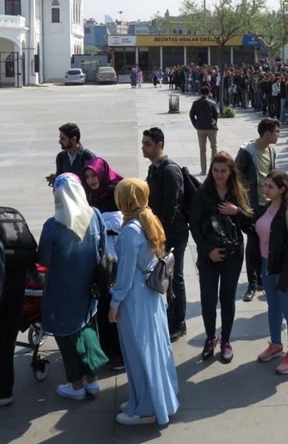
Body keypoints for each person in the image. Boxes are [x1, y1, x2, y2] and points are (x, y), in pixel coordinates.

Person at [108, 178, 180, 426]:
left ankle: (147, 407)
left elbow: (125, 274)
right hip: (151, 295)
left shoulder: (130, 231)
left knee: (139, 352)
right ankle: (150, 399)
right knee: (154, 349)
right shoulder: (149, 219)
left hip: (135, 298)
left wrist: (115, 303)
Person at [38, 173, 106, 401]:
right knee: (89, 331)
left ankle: (75, 385)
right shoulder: (95, 215)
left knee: (67, 339)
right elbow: (103, 248)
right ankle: (92, 380)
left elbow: (44, 260)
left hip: (62, 292)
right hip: (90, 289)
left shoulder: (53, 226)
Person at [189, 151, 253, 363]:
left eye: (223, 171)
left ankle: (226, 340)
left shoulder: (236, 192)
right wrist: (208, 250)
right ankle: (210, 337)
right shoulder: (203, 192)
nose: (219, 174)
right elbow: (195, 226)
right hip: (209, 256)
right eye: (215, 170)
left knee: (227, 299)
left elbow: (249, 225)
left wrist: (237, 212)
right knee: (208, 300)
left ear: (230, 171)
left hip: (233, 255)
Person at [255, 171, 288, 375]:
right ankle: (276, 344)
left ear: (282, 189)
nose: (265, 190)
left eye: (270, 187)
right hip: (267, 264)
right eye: (265, 185)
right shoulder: (268, 206)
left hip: (282, 268)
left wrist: (285, 277)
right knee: (273, 306)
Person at [142, 127, 188, 341]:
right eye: (143, 143)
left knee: (175, 276)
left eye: (147, 144)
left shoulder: (170, 170)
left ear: (160, 144)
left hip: (174, 234)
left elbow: (172, 208)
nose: (143, 147)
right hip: (161, 233)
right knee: (166, 277)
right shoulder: (154, 169)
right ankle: (171, 315)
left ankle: (179, 322)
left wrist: (161, 237)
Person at [84, 157, 124, 367]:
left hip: (116, 259)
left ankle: (118, 354)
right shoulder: (92, 195)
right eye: (88, 176)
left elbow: (119, 222)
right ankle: (109, 351)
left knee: (113, 306)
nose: (91, 180)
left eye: (94, 175)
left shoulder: (115, 191)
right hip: (102, 260)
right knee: (103, 306)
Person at [235, 118, 280, 302]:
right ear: (267, 133)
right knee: (253, 244)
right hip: (252, 206)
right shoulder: (247, 152)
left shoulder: (271, 150)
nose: (279, 134)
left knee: (266, 243)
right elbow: (236, 178)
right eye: (276, 131)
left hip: (268, 205)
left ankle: (262, 279)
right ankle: (251, 284)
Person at [49, 122, 96, 190]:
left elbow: (95, 182)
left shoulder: (88, 157)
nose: (59, 141)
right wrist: (55, 179)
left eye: (63, 138)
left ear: (73, 139)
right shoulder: (61, 157)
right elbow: (60, 182)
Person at [189, 86, 220, 175]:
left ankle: (203, 169)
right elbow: (215, 115)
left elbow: (191, 115)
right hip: (211, 128)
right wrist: (214, 123)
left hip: (200, 128)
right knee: (214, 147)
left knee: (202, 149)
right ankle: (213, 167)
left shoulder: (196, 103)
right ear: (208, 93)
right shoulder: (212, 103)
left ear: (200, 93)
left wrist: (196, 124)